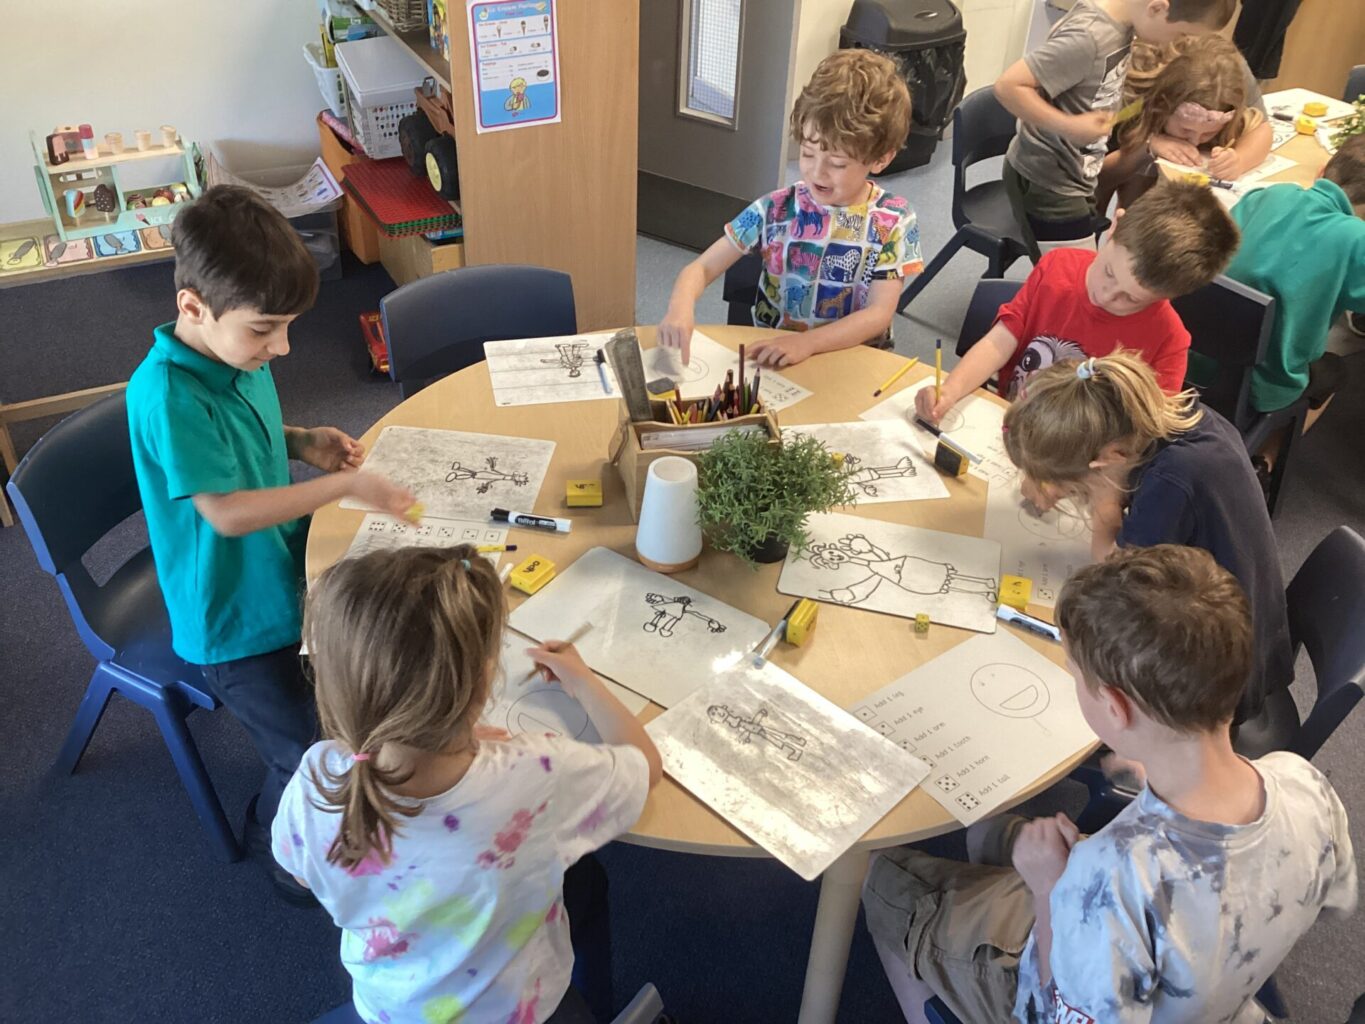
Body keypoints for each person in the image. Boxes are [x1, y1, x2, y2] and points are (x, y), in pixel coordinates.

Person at [863, 544, 1357, 1024]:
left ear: (1116, 709)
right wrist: (1154, 764)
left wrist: (1051, 891)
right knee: (989, 837)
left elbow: (1059, 1010)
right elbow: (1336, 898)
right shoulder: (1305, 783)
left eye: (1076, 677)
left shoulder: (1105, 880)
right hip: (1215, 996)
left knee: (877, 881)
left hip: (1062, 977)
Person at [125, 185, 414, 901]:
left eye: (286, 328)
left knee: (333, 710)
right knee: (305, 751)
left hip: (278, 579)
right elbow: (224, 513)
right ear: (194, 307)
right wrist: (345, 486)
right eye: (265, 330)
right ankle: (287, 858)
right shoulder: (167, 393)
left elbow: (237, 433)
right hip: (231, 619)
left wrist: (302, 441)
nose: (281, 347)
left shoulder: (234, 356)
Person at [273, 546, 661, 1024]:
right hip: (520, 1011)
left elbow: (300, 874)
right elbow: (645, 766)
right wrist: (583, 681)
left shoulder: (316, 777)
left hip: (392, 1011)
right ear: (482, 683)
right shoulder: (537, 773)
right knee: (588, 882)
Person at [1000, 352, 1291, 730]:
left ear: (1111, 457)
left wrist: (1105, 502)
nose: (1074, 496)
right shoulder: (1185, 420)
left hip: (1219, 685)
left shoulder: (1170, 483)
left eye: (1077, 487)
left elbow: (1114, 578)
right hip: (1241, 632)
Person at [658, 49, 921, 369]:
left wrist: (807, 343)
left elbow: (878, 314)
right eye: (807, 154)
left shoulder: (894, 221)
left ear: (881, 158)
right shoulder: (775, 208)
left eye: (837, 163)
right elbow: (700, 268)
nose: (817, 172)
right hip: (777, 359)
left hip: (853, 361)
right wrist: (680, 306)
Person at [915, 180, 1237, 425]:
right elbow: (999, 342)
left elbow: (1144, 433)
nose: (1106, 296)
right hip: (1007, 423)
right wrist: (950, 391)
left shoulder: (1168, 342)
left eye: (1131, 298)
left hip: (1074, 466)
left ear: (1171, 296)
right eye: (1109, 272)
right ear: (1115, 226)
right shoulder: (1056, 266)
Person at [994, 0, 1236, 260]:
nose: (1176, 43)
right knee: (1072, 278)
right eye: (1181, 33)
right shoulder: (1089, 36)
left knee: (1083, 272)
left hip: (1076, 175)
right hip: (1050, 181)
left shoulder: (1123, 26)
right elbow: (1008, 86)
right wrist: (1069, 126)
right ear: (1157, 8)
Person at [1222, 134, 1365, 433]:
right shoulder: (1355, 240)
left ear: (1322, 170)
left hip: (1194, 359)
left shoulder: (1269, 194)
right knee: (1334, 371)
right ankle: (1268, 452)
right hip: (1262, 386)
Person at [1097, 34, 1272, 212]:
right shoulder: (1128, 84)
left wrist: (1239, 161)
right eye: (1186, 130)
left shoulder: (1233, 74)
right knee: (1128, 206)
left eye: (1208, 133)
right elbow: (1095, 177)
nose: (1194, 142)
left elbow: (1262, 128)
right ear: (1162, 106)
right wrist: (1147, 146)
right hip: (1124, 141)